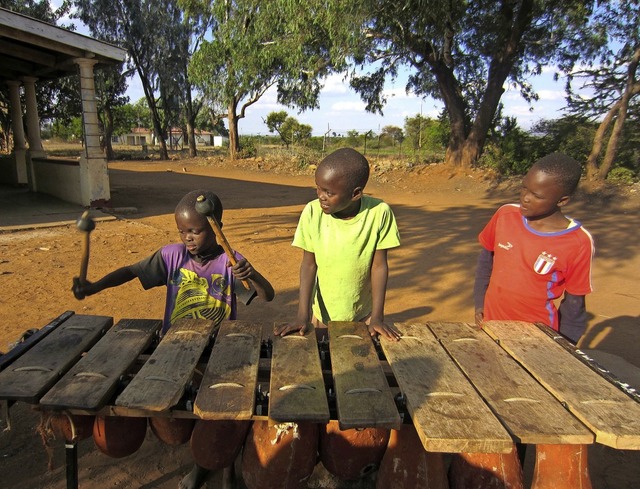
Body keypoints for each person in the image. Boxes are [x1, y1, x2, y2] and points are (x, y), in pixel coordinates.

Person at [72, 189, 274, 489]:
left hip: (219, 351)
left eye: (195, 231)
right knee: (188, 412)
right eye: (182, 232)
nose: (188, 238)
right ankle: (202, 466)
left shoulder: (231, 261)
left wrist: (252, 273)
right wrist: (95, 287)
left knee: (221, 413)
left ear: (216, 225)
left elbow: (266, 295)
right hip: (177, 348)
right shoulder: (172, 255)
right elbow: (130, 271)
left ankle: (228, 470)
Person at [274, 147, 401, 341]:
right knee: (324, 363)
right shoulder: (312, 212)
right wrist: (303, 315)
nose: (321, 196)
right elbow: (309, 265)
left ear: (355, 193)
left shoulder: (379, 213)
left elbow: (379, 267)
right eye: (318, 187)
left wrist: (377, 317)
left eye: (329, 192)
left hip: (364, 316)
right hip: (323, 316)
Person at [473, 152, 595, 344]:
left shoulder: (578, 242)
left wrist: (564, 344)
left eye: (536, 195)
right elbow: (485, 261)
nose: (525, 198)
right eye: (524, 188)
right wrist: (480, 303)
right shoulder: (505, 215)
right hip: (491, 322)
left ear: (562, 200)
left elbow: (575, 303)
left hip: (537, 336)